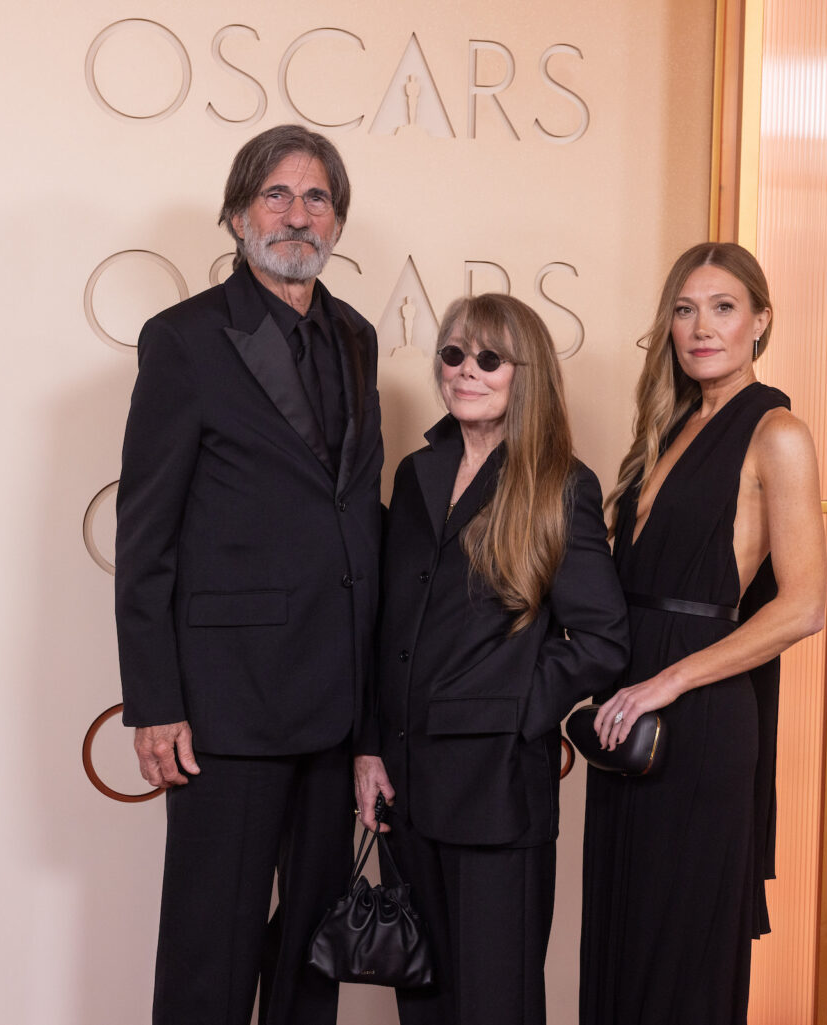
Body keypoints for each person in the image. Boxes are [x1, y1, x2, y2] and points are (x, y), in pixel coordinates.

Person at [114, 124, 383, 1025]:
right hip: (225, 707)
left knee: (314, 951)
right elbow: (145, 534)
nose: (297, 215)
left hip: (334, 703)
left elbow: (355, 516)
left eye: (316, 199)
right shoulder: (184, 340)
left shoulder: (358, 337)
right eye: (277, 195)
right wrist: (154, 700)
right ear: (236, 214)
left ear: (337, 222)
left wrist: (375, 716)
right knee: (210, 948)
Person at [354, 293, 630, 1025]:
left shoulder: (560, 485)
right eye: (452, 354)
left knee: (493, 1005)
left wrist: (512, 711)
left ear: (525, 373)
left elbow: (603, 640)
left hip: (498, 792)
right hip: (404, 790)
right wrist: (371, 746)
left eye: (488, 358)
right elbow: (390, 627)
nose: (465, 371)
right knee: (426, 1003)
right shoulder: (415, 474)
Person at [578, 243, 826, 1025]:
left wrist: (668, 681)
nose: (700, 327)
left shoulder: (777, 430)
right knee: (623, 938)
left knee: (679, 952)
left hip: (700, 717)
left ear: (761, 321)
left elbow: (804, 606)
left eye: (722, 307)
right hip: (630, 715)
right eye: (684, 309)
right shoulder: (670, 424)